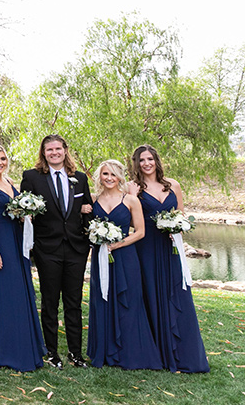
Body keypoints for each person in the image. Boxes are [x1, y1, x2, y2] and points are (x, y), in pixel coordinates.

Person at [128, 145, 209, 373]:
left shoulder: (173, 185)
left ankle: (184, 353)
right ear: (136, 163)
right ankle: (156, 353)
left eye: (150, 159)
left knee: (177, 294)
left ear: (156, 161)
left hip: (171, 248)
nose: (146, 163)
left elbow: (181, 215)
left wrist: (177, 226)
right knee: (150, 294)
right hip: (146, 248)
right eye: (142, 160)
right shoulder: (133, 187)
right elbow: (131, 220)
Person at [20, 135, 92, 369]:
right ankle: (52, 353)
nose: (54, 153)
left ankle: (75, 354)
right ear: (43, 153)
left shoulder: (79, 178)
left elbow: (87, 210)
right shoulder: (31, 177)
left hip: (75, 248)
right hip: (47, 248)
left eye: (58, 148)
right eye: (49, 149)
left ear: (65, 150)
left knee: (74, 302)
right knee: (50, 302)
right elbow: (24, 209)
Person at [86, 160, 163, 370]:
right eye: (105, 174)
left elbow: (140, 232)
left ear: (120, 176)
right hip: (101, 257)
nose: (109, 178)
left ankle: (131, 353)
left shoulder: (130, 200)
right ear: (99, 177)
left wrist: (116, 245)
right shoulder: (93, 201)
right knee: (102, 300)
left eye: (113, 174)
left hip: (126, 256)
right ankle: (104, 350)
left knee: (129, 301)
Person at [0, 144, 45, 371]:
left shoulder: (9, 183)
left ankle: (24, 345)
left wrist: (26, 215)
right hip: (2, 241)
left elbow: (15, 213)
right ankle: (7, 350)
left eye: (3, 158)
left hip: (18, 240)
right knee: (7, 292)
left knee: (20, 290)